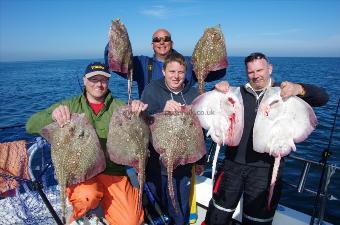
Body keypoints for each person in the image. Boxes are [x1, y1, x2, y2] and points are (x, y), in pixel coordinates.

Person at [202, 52, 329, 225]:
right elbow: (206, 106)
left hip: (266, 171)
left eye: (260, 70)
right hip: (232, 166)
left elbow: (322, 97)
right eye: (251, 72)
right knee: (217, 215)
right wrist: (216, 89)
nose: (256, 75)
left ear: (269, 68)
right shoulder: (237, 93)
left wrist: (298, 88)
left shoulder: (284, 93)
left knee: (257, 221)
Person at [26, 62, 147, 225]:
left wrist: (139, 112)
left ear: (108, 82)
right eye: (93, 79)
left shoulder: (120, 108)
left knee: (131, 220)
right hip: (81, 172)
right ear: (84, 80)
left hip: (113, 172)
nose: (98, 84)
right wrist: (52, 116)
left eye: (103, 79)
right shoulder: (70, 106)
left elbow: (141, 133)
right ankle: (80, 215)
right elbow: (31, 125)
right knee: (86, 197)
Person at [141, 52, 203, 225]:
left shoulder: (193, 93)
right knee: (157, 212)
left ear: (186, 73)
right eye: (172, 71)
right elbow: (142, 120)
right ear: (164, 71)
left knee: (179, 211)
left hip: (183, 166)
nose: (176, 76)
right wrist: (162, 109)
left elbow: (199, 130)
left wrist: (200, 160)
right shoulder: (152, 89)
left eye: (180, 72)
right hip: (156, 164)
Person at [104, 28, 226, 97]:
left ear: (172, 43)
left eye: (166, 39)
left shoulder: (188, 63)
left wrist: (216, 46)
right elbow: (116, 64)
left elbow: (216, 73)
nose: (161, 42)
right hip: (151, 123)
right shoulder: (141, 64)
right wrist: (116, 40)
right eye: (157, 40)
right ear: (152, 45)